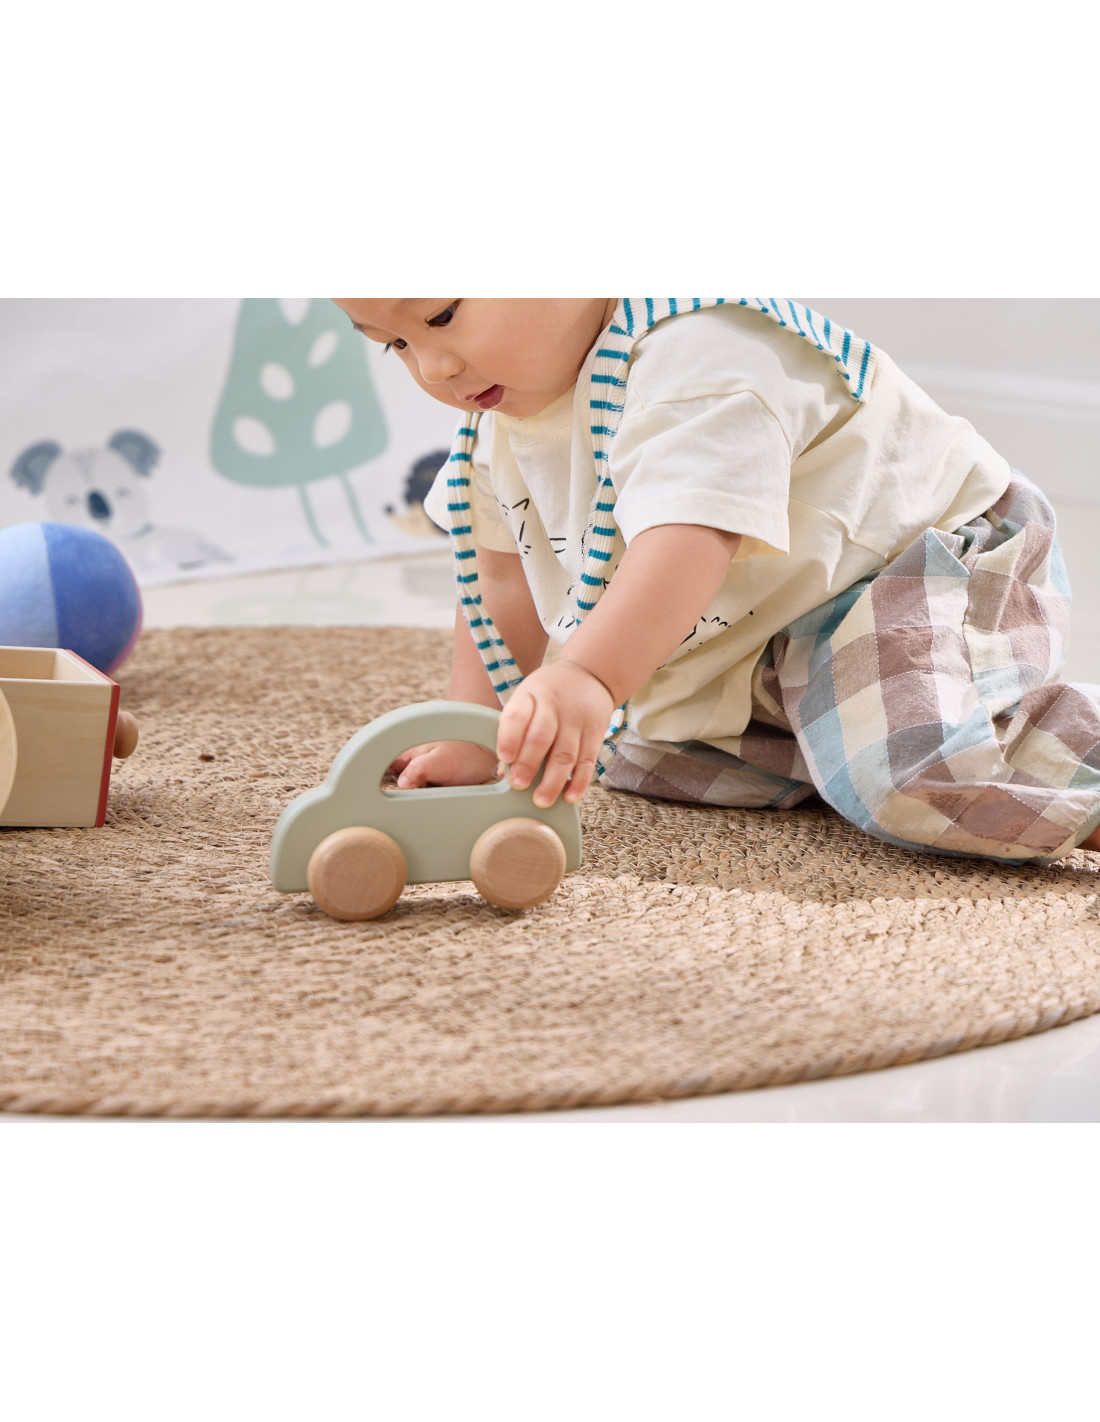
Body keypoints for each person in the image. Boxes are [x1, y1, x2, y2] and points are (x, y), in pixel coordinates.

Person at [335, 297, 1100, 865]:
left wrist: (591, 676)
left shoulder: (700, 359)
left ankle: (1041, 757)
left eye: (442, 316)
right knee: (631, 753)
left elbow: (689, 540)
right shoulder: (497, 417)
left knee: (904, 778)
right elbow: (499, 577)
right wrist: (477, 731)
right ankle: (834, 735)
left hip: (915, 566)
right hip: (772, 624)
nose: (432, 368)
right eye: (394, 344)